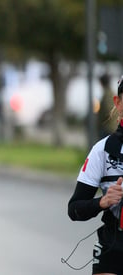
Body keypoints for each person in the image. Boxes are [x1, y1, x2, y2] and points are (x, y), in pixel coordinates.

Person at [68, 77, 123, 275]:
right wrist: (103, 201)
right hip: (115, 244)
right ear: (118, 103)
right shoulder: (102, 150)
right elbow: (74, 209)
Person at [98, 73, 116, 139]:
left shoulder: (107, 96)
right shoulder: (112, 93)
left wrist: (100, 122)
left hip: (108, 129)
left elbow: (108, 111)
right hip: (113, 128)